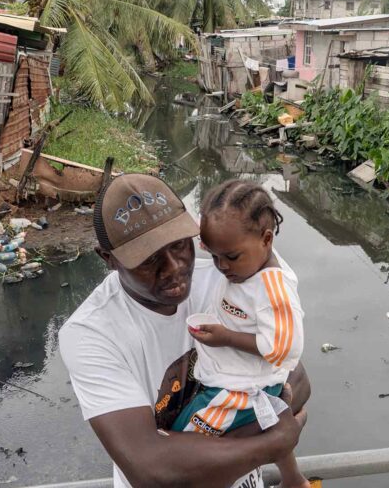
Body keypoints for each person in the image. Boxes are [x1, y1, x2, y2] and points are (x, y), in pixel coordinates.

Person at [59, 174, 310, 488]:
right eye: (149, 259)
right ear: (108, 259)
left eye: (179, 245)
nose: (174, 267)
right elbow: (151, 470)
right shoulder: (91, 334)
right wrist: (271, 442)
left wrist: (195, 456)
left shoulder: (227, 278)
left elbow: (296, 378)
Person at [174, 179, 309, 488]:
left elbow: (285, 349)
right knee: (270, 425)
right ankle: (294, 480)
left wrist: (225, 337)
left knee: (181, 441)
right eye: (213, 254)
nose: (221, 267)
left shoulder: (273, 289)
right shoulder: (249, 263)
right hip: (237, 380)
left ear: (266, 239)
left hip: (239, 390)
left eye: (230, 257)